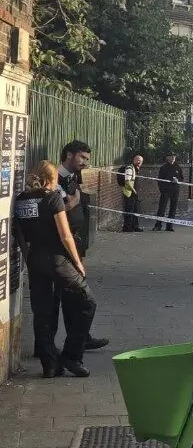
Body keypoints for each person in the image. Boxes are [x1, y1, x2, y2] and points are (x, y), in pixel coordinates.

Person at [15, 161, 97, 378]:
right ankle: (72, 356)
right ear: (52, 178)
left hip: (34, 260)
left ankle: (50, 364)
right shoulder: (52, 198)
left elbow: (20, 235)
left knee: (42, 313)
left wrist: (28, 259)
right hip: (57, 260)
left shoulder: (21, 200)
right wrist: (77, 263)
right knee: (87, 301)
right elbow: (65, 235)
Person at [48, 141, 108, 355]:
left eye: (87, 159)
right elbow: (53, 212)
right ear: (68, 155)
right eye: (82, 157)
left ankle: (81, 337)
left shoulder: (74, 177)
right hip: (59, 246)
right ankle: (47, 346)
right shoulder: (54, 178)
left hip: (75, 242)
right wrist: (72, 204)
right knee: (59, 296)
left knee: (74, 295)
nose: (85, 162)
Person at [153, 152, 183, 232]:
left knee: (173, 209)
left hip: (175, 190)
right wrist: (162, 190)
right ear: (167, 158)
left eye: (174, 156)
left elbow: (181, 179)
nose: (173, 158)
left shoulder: (178, 167)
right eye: (171, 156)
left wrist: (178, 180)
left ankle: (169, 226)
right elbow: (160, 180)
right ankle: (158, 225)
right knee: (162, 208)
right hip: (166, 191)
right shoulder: (163, 168)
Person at [122, 154, 143, 232]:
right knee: (129, 210)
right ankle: (127, 227)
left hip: (134, 193)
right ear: (134, 160)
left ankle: (135, 226)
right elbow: (127, 181)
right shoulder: (130, 168)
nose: (139, 162)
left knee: (135, 210)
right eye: (138, 160)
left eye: (141, 161)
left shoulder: (136, 169)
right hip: (129, 193)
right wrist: (134, 190)